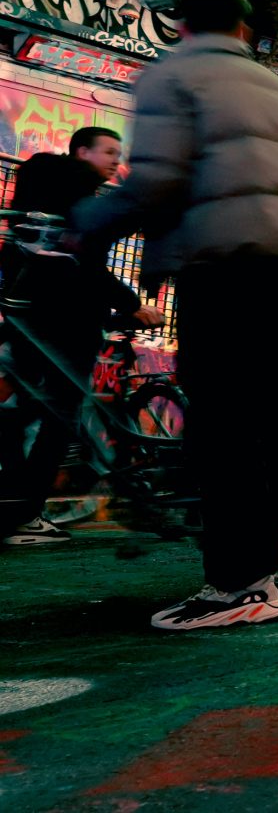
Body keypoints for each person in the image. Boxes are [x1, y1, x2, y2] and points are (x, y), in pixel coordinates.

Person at [74, 0, 278, 630]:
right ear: (243, 27)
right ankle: (258, 578)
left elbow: (158, 179)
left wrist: (88, 227)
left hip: (225, 266)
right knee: (267, 424)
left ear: (182, 25)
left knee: (222, 426)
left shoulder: (175, 74)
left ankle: (236, 585)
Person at [0, 127, 162, 545]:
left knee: (23, 412)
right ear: (82, 152)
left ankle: (14, 506)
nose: (116, 160)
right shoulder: (74, 195)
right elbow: (85, 264)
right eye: (108, 152)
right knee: (59, 417)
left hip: (28, 315)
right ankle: (22, 513)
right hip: (67, 324)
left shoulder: (37, 190)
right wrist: (131, 303)